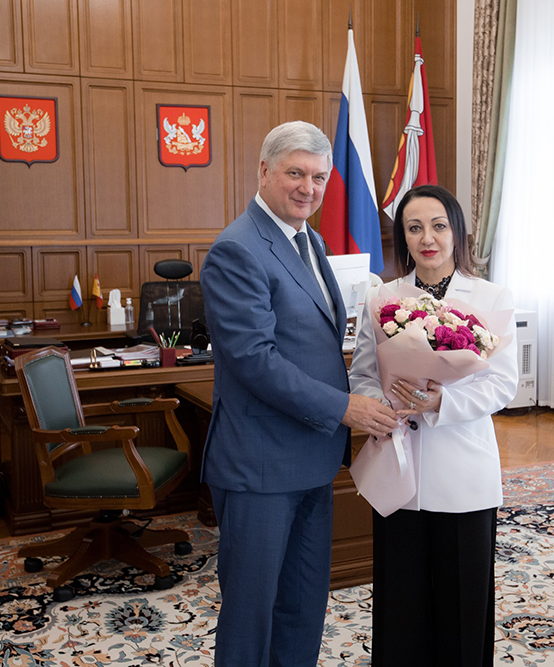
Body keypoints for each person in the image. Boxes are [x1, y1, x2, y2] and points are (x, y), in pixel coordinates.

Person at [199, 120, 398, 667]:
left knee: (303, 605)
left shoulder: (311, 240)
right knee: (252, 614)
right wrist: (345, 407)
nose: (308, 188)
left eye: (319, 177)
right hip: (260, 464)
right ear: (264, 171)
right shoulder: (237, 249)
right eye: (295, 173)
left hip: (312, 457)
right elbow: (254, 361)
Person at [349, 184, 519, 667]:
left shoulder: (491, 297)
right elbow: (363, 374)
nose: (428, 238)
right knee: (401, 603)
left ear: (456, 231)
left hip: (462, 471)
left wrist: (443, 401)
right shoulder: (382, 297)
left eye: (438, 226)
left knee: (462, 604)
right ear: (403, 237)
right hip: (398, 466)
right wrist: (378, 406)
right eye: (415, 227)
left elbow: (502, 384)